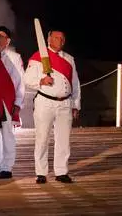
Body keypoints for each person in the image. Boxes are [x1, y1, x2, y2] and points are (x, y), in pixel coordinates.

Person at [24, 29, 80, 184]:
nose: (60, 41)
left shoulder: (69, 59)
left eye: (62, 38)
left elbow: (75, 83)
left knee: (63, 139)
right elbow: (27, 79)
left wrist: (76, 104)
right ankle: (41, 172)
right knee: (42, 138)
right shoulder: (38, 57)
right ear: (49, 39)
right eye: (57, 38)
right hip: (45, 102)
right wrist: (41, 81)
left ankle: (61, 171)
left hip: (65, 103)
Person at [0, 26, 26, 179]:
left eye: (1, 35)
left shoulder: (14, 57)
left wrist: (18, 103)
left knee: (7, 134)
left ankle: (7, 166)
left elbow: (20, 82)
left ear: (8, 40)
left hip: (7, 100)